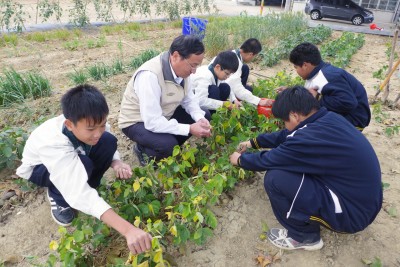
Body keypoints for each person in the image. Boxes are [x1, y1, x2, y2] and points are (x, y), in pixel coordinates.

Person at [229, 86, 382, 251]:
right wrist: (254, 142)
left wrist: (241, 160)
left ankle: (304, 237)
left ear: (294, 115)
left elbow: (270, 159)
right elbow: (288, 135)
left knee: (275, 178)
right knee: (293, 169)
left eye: (284, 121)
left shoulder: (307, 138)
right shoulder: (327, 117)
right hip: (364, 203)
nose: (284, 126)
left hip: (352, 215)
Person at [16, 84, 152, 255]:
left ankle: (91, 187)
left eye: (102, 124)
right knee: (83, 167)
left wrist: (116, 163)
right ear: (70, 124)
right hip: (39, 169)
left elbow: (103, 138)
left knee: (108, 141)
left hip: (76, 154)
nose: (97, 132)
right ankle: (57, 197)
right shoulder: (52, 142)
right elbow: (78, 193)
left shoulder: (93, 121)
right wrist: (128, 230)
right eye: (91, 129)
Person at [118, 35, 212, 166]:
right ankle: (143, 150)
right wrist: (189, 128)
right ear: (175, 56)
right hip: (137, 122)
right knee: (168, 145)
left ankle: (166, 144)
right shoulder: (150, 75)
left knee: (204, 113)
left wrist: (199, 118)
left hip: (163, 114)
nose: (194, 71)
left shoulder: (183, 71)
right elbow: (152, 121)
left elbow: (189, 100)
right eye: (193, 65)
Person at [289, 42, 371, 130]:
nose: (296, 71)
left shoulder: (327, 76)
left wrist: (317, 100)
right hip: (344, 117)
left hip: (353, 120)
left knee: (308, 128)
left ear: (305, 65)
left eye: (296, 67)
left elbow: (348, 102)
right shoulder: (315, 74)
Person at [224, 38, 270, 107]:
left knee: (245, 69)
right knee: (246, 90)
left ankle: (239, 98)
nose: (253, 58)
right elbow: (237, 88)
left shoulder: (234, 53)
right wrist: (258, 101)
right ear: (251, 54)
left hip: (229, 84)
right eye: (255, 56)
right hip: (221, 89)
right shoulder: (235, 63)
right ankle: (235, 101)